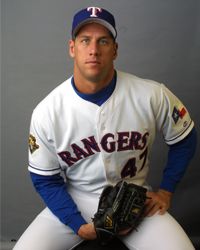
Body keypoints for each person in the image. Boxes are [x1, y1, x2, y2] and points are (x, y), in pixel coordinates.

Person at [13, 6, 197, 250]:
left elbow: (185, 137)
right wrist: (77, 224)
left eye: (103, 41)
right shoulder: (48, 111)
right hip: (77, 199)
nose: (93, 50)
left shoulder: (151, 94)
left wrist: (166, 192)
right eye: (85, 40)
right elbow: (44, 179)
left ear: (115, 50)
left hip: (136, 199)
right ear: (72, 48)